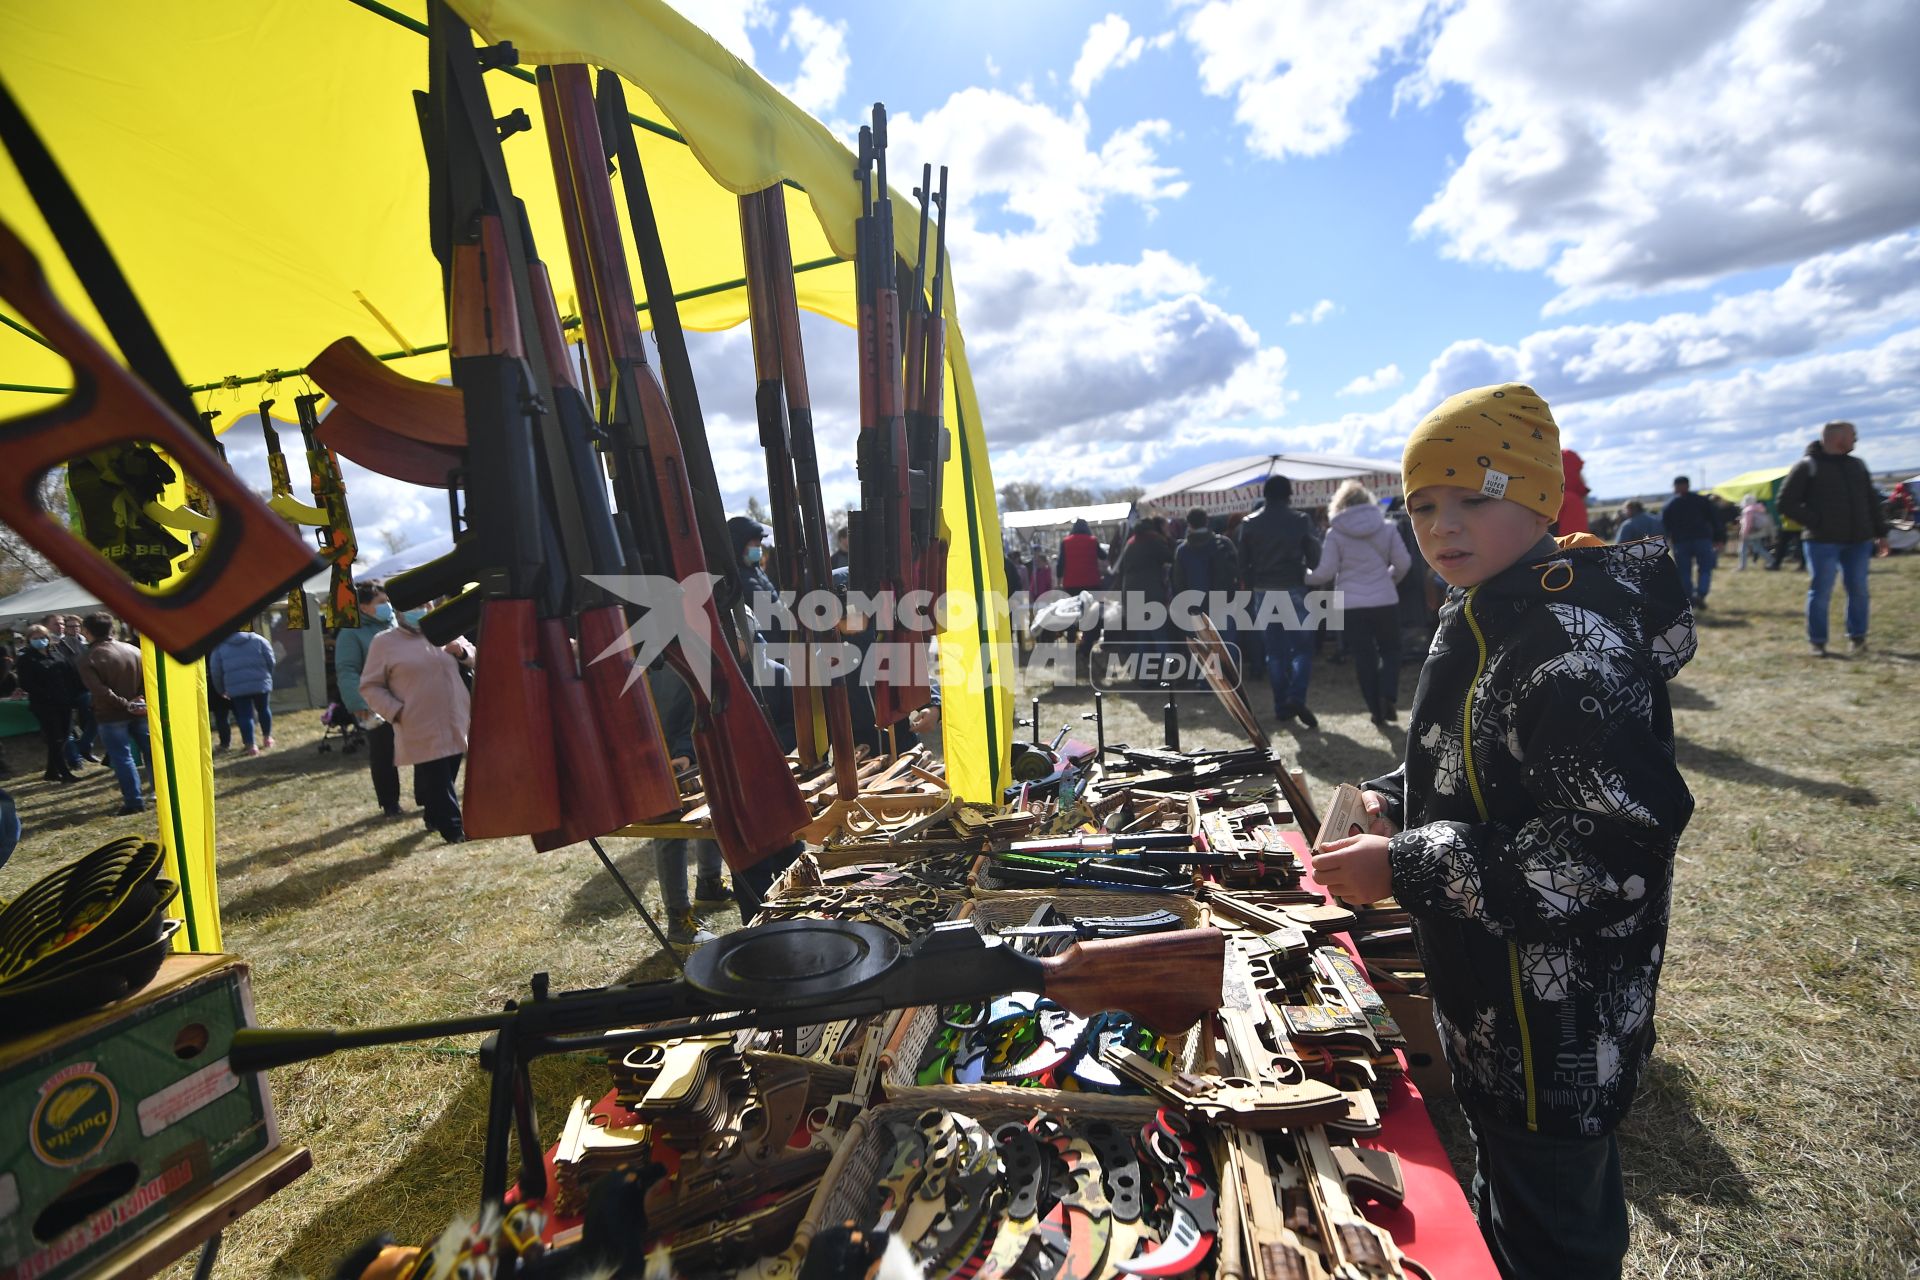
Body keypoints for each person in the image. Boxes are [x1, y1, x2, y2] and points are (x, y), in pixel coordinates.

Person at [1315, 382, 1694, 1280]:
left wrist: (1404, 865)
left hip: (1559, 1030)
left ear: (1535, 498)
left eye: (1472, 498)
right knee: (1506, 1198)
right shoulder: (1480, 609)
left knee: (1557, 1232)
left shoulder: (1567, 649)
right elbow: (1464, 770)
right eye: (1423, 505)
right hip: (1493, 1005)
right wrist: (1391, 801)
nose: (1443, 526)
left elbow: (1606, 857)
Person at [358, 601, 475, 843]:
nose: (421, 609)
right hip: (418, 720)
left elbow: (474, 656)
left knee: (449, 768)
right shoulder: (384, 642)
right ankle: (454, 830)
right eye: (415, 605)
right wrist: (396, 712)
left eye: (426, 605)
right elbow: (370, 685)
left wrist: (461, 652)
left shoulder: (446, 630)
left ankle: (433, 816)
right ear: (400, 611)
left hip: (455, 716)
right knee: (438, 775)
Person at [1777, 420, 1892, 656]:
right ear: (1838, 438)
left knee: (1859, 589)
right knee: (1820, 591)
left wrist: (1881, 533)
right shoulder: (1807, 466)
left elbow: (1871, 501)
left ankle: (1857, 638)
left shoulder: (1857, 465)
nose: (1856, 440)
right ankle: (1818, 642)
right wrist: (1816, 522)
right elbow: (1785, 502)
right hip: (1822, 541)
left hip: (1858, 540)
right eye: (1853, 435)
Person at [1306, 481, 1411, 724]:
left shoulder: (1335, 533)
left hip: (1351, 604)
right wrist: (1389, 580)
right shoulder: (1387, 527)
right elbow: (1404, 562)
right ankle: (1388, 693)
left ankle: (1376, 710)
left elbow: (1325, 572)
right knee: (1392, 650)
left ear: (1340, 504)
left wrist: (1303, 575)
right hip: (1385, 599)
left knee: (1364, 658)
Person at [644, 662, 730, 947]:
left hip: (694, 741)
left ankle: (708, 883)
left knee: (709, 805)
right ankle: (678, 919)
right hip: (667, 749)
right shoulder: (660, 648)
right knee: (670, 826)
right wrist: (683, 751)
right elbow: (675, 706)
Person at [1236, 474, 1322, 729]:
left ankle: (1281, 706)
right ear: (1289, 494)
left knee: (1274, 652)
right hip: (1293, 586)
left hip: (1263, 589)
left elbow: (1242, 563)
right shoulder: (1300, 520)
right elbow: (1314, 556)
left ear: (1264, 494)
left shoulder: (1249, 523)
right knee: (1303, 649)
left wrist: (1251, 585)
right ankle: (1296, 696)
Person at [335, 582, 404, 817]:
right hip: (376, 702)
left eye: (388, 601)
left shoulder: (396, 624)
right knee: (384, 752)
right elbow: (347, 670)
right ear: (364, 607)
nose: (388, 606)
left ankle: (427, 797)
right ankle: (390, 802)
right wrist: (359, 703)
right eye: (381, 603)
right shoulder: (350, 633)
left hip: (408, 696)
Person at [78, 613, 149, 815]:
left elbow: (100, 690)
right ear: (112, 629)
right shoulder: (134, 650)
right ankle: (163, 792)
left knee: (122, 758)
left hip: (111, 714)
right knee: (152, 752)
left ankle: (134, 801)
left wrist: (125, 704)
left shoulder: (89, 658)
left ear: (87, 631)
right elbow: (147, 679)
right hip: (138, 709)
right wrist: (138, 700)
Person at [17, 625, 83, 783]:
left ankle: (51, 771)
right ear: (29, 640)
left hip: (64, 702)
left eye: (42, 637)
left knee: (64, 735)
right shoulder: (26, 659)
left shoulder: (56, 653)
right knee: (55, 738)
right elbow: (26, 683)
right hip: (45, 704)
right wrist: (47, 695)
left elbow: (70, 673)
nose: (40, 641)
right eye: (35, 638)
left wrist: (73, 694)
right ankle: (64, 773)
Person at [1109, 515, 1174, 668]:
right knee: (1159, 636)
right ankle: (1168, 673)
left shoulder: (1130, 543)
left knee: (1142, 637)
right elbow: (1170, 557)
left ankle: (1145, 677)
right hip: (1151, 593)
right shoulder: (1154, 540)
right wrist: (1169, 538)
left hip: (1131, 595)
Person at [209, 626, 277, 755]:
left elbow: (215, 671)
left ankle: (251, 745)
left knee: (245, 715)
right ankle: (267, 738)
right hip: (260, 682)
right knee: (263, 709)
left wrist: (221, 689)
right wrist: (267, 676)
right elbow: (271, 660)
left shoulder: (220, 647)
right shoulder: (259, 639)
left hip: (236, 686)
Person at [1660, 476, 1718, 609]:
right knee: (1705, 569)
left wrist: (1665, 541)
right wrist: (1718, 537)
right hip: (1702, 539)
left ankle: (1690, 598)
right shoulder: (1701, 500)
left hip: (1681, 542)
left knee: (1684, 572)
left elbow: (1664, 525)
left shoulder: (1670, 504)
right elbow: (1714, 519)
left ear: (1676, 486)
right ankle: (1701, 594)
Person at [1735, 494, 1775, 570]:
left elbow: (1747, 524)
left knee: (1743, 549)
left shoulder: (1748, 510)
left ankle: (1742, 566)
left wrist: (1743, 534)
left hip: (1749, 532)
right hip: (1759, 532)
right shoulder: (1760, 508)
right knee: (1758, 548)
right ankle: (1772, 560)